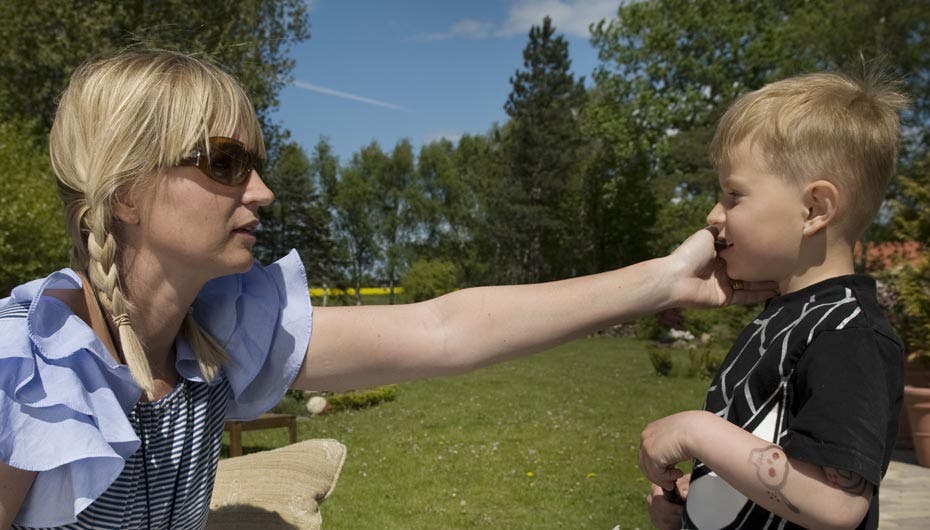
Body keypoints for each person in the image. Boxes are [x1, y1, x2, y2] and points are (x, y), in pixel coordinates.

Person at [0, 49, 775, 530]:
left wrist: (667, 278)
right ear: (126, 193)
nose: (263, 192)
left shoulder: (216, 337)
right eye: (225, 163)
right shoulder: (25, 375)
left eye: (257, 162)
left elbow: (445, 331)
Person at [638, 71, 908, 530]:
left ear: (815, 210)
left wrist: (697, 431)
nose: (713, 215)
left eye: (733, 195)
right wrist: (697, 500)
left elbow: (836, 504)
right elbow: (767, 454)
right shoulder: (786, 316)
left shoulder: (847, 334)